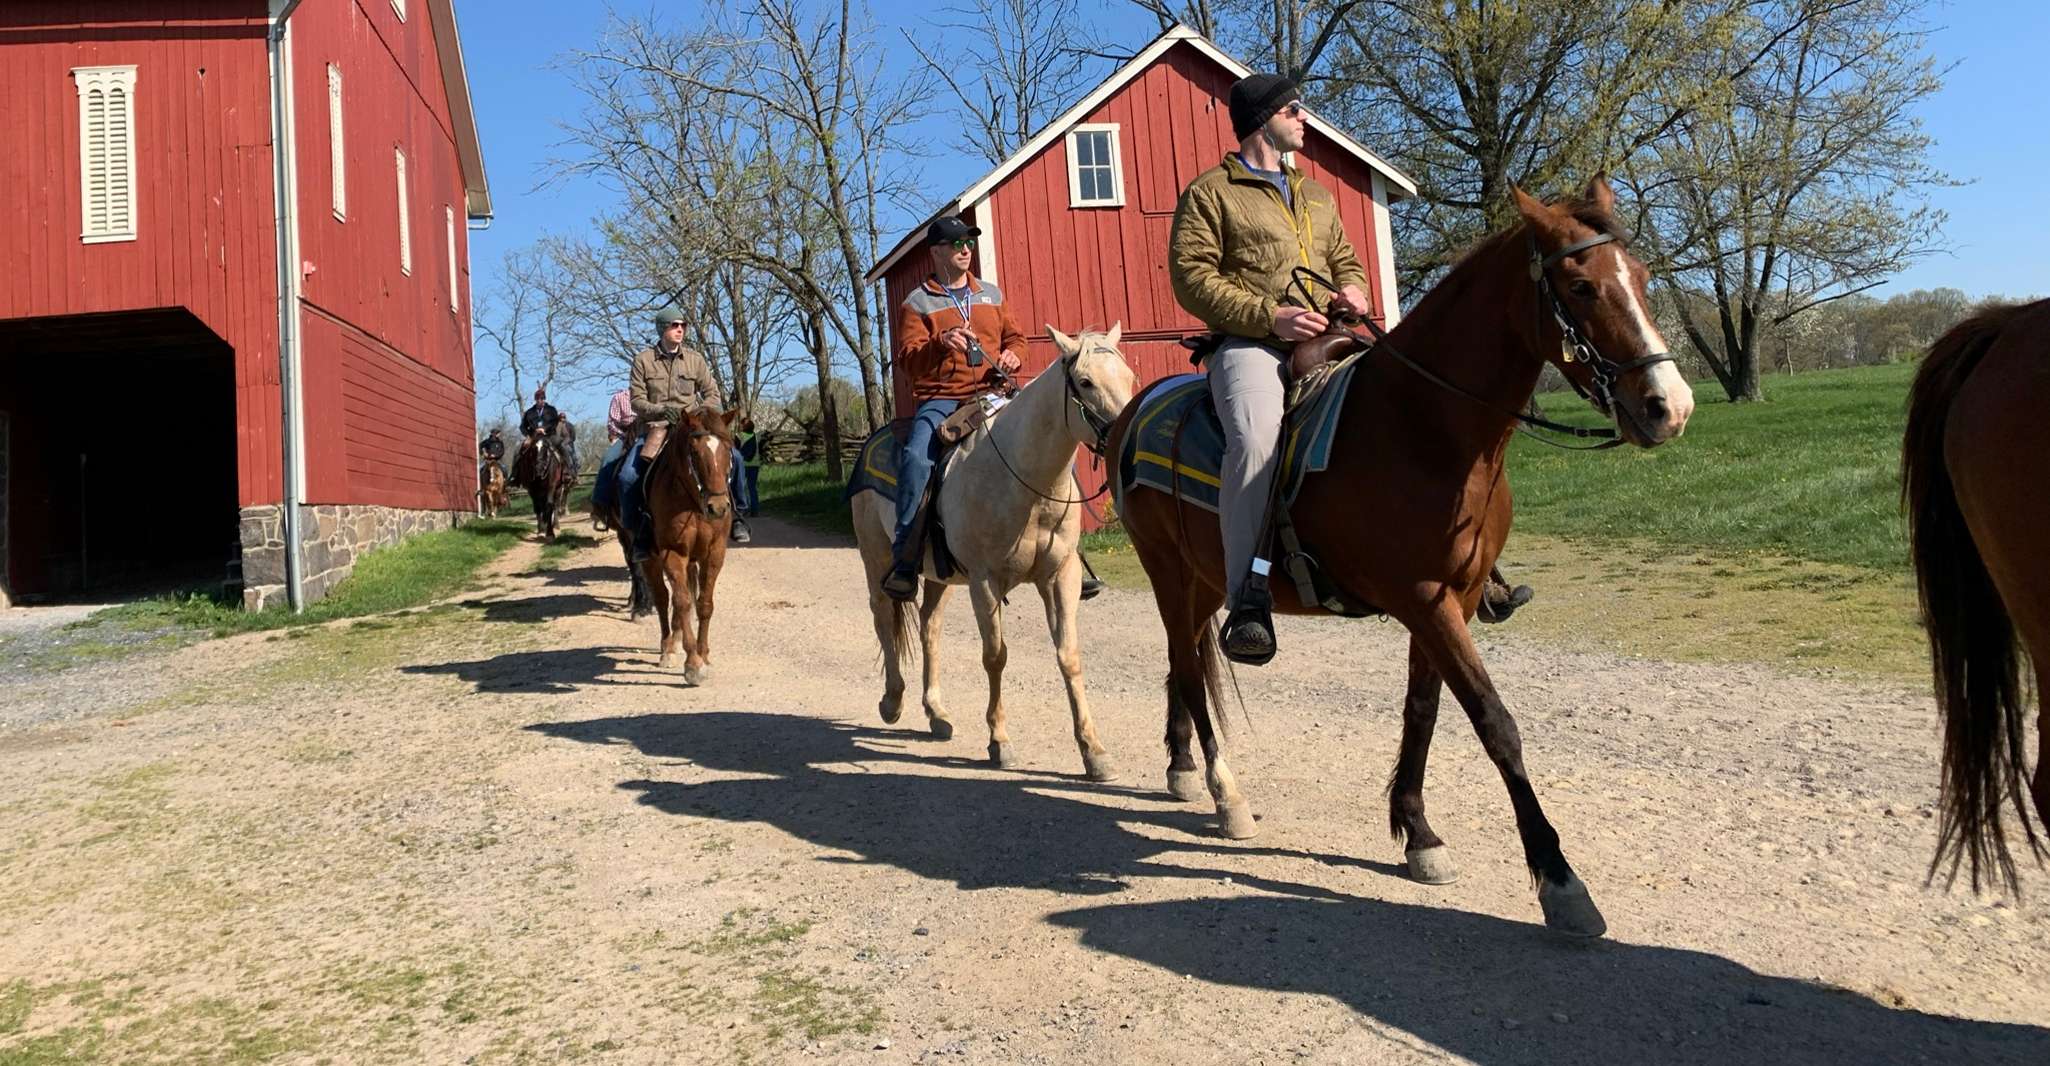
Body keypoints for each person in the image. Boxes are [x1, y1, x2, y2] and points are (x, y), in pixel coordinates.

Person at [1171, 75, 1530, 663]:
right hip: (1251, 345)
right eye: (1293, 109)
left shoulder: (1313, 194)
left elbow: (1345, 258)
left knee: (1406, 407)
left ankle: (1471, 563)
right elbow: (1193, 278)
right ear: (1264, 120)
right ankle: (1246, 598)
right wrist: (1271, 317)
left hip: (1329, 338)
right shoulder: (1211, 193)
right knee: (1257, 438)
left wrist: (1355, 289)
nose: (1303, 117)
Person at [880, 216, 1027, 600]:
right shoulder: (917, 302)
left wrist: (1013, 355)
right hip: (942, 399)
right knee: (915, 457)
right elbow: (909, 361)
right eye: (958, 244)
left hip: (993, 392)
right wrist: (941, 342)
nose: (966, 250)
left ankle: (1065, 550)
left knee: (1045, 432)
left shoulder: (991, 295)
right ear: (937, 252)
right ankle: (906, 557)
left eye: (970, 244)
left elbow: (1017, 338)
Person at [621, 305, 728, 561]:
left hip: (692, 430)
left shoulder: (695, 360)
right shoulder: (643, 360)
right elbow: (636, 400)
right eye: (674, 325)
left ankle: (738, 519)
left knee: (733, 464)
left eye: (682, 326)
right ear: (662, 329)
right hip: (656, 430)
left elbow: (713, 394)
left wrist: (699, 413)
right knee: (627, 477)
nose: (680, 329)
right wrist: (661, 410)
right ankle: (640, 535)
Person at [733, 415, 761, 517]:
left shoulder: (739, 436)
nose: (740, 426)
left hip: (743, 465)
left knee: (740, 487)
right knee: (752, 487)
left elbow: (735, 451)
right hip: (755, 465)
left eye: (741, 424)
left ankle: (743, 508)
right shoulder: (756, 436)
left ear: (743, 426)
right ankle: (755, 510)